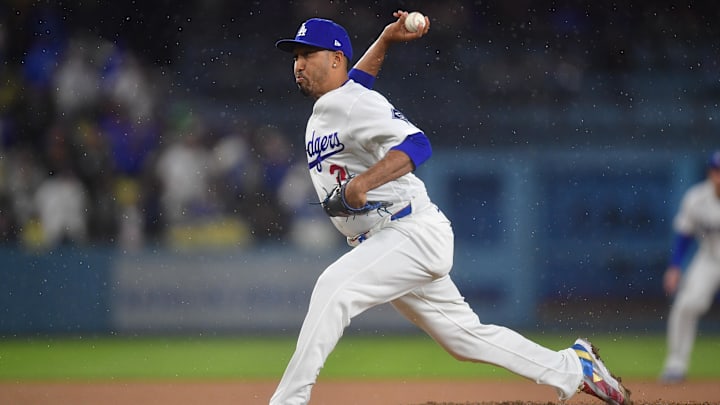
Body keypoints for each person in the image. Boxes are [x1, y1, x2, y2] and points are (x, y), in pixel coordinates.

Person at [270, 11, 631, 405]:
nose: (298, 64)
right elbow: (358, 80)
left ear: (335, 58)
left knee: (333, 288)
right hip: (386, 240)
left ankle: (288, 400)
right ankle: (575, 367)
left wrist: (363, 183)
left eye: (308, 54)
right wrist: (386, 41)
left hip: (407, 232)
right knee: (465, 338)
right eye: (295, 56)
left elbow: (417, 144)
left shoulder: (355, 103)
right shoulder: (340, 99)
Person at [660, 150, 720, 384]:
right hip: (708, 259)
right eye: (717, 171)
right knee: (685, 305)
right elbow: (683, 235)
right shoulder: (696, 198)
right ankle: (676, 364)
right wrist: (675, 266)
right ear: (710, 172)